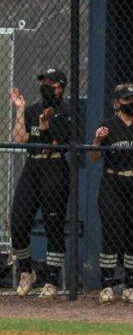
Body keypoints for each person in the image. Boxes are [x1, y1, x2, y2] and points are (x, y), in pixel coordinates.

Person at [8, 69, 71, 298]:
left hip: (54, 168)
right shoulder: (34, 109)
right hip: (33, 166)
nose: (44, 85)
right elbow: (19, 139)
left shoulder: (65, 110)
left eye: (50, 82)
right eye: (43, 81)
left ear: (60, 86)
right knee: (18, 221)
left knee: (53, 224)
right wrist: (20, 109)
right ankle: (27, 272)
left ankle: (52, 280)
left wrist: (45, 127)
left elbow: (57, 142)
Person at [90, 83, 133, 303]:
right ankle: (106, 286)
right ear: (117, 102)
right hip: (113, 182)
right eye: (126, 99)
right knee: (112, 232)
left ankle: (131, 286)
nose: (131, 103)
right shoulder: (107, 124)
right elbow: (94, 157)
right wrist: (97, 140)